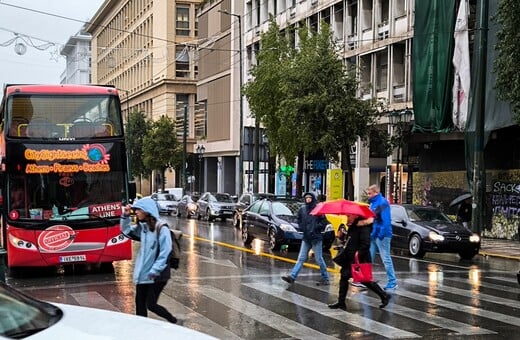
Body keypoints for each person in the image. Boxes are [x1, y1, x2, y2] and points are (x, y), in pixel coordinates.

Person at [120, 197, 177, 323]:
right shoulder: (143, 228)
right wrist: (125, 216)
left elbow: (165, 252)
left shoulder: (162, 229)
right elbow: (126, 231)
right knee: (140, 306)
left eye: (139, 210)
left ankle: (173, 321)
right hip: (143, 274)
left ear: (147, 210)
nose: (136, 212)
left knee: (150, 304)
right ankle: (142, 331)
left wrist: (155, 270)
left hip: (157, 275)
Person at [328, 216, 390, 310]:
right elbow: (350, 240)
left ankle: (384, 296)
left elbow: (366, 244)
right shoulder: (353, 226)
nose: (347, 218)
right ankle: (341, 302)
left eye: (349, 216)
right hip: (350, 258)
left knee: (364, 280)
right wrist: (342, 236)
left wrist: (357, 255)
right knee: (344, 276)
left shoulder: (364, 227)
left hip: (359, 259)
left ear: (355, 216)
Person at [282, 192, 330, 286]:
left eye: (309, 198)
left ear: (313, 198)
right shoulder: (303, 209)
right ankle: (292, 276)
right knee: (301, 258)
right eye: (306, 198)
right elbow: (298, 219)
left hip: (316, 237)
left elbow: (324, 222)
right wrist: (302, 227)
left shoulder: (318, 209)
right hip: (306, 237)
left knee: (319, 259)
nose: (308, 199)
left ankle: (326, 278)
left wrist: (316, 227)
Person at [367, 184, 398, 290]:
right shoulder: (373, 203)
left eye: (370, 193)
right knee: (368, 258)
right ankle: (366, 279)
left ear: (375, 192)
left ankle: (392, 281)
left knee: (386, 258)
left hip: (382, 235)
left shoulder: (382, 202)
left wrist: (379, 234)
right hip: (374, 234)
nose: (368, 195)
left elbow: (386, 221)